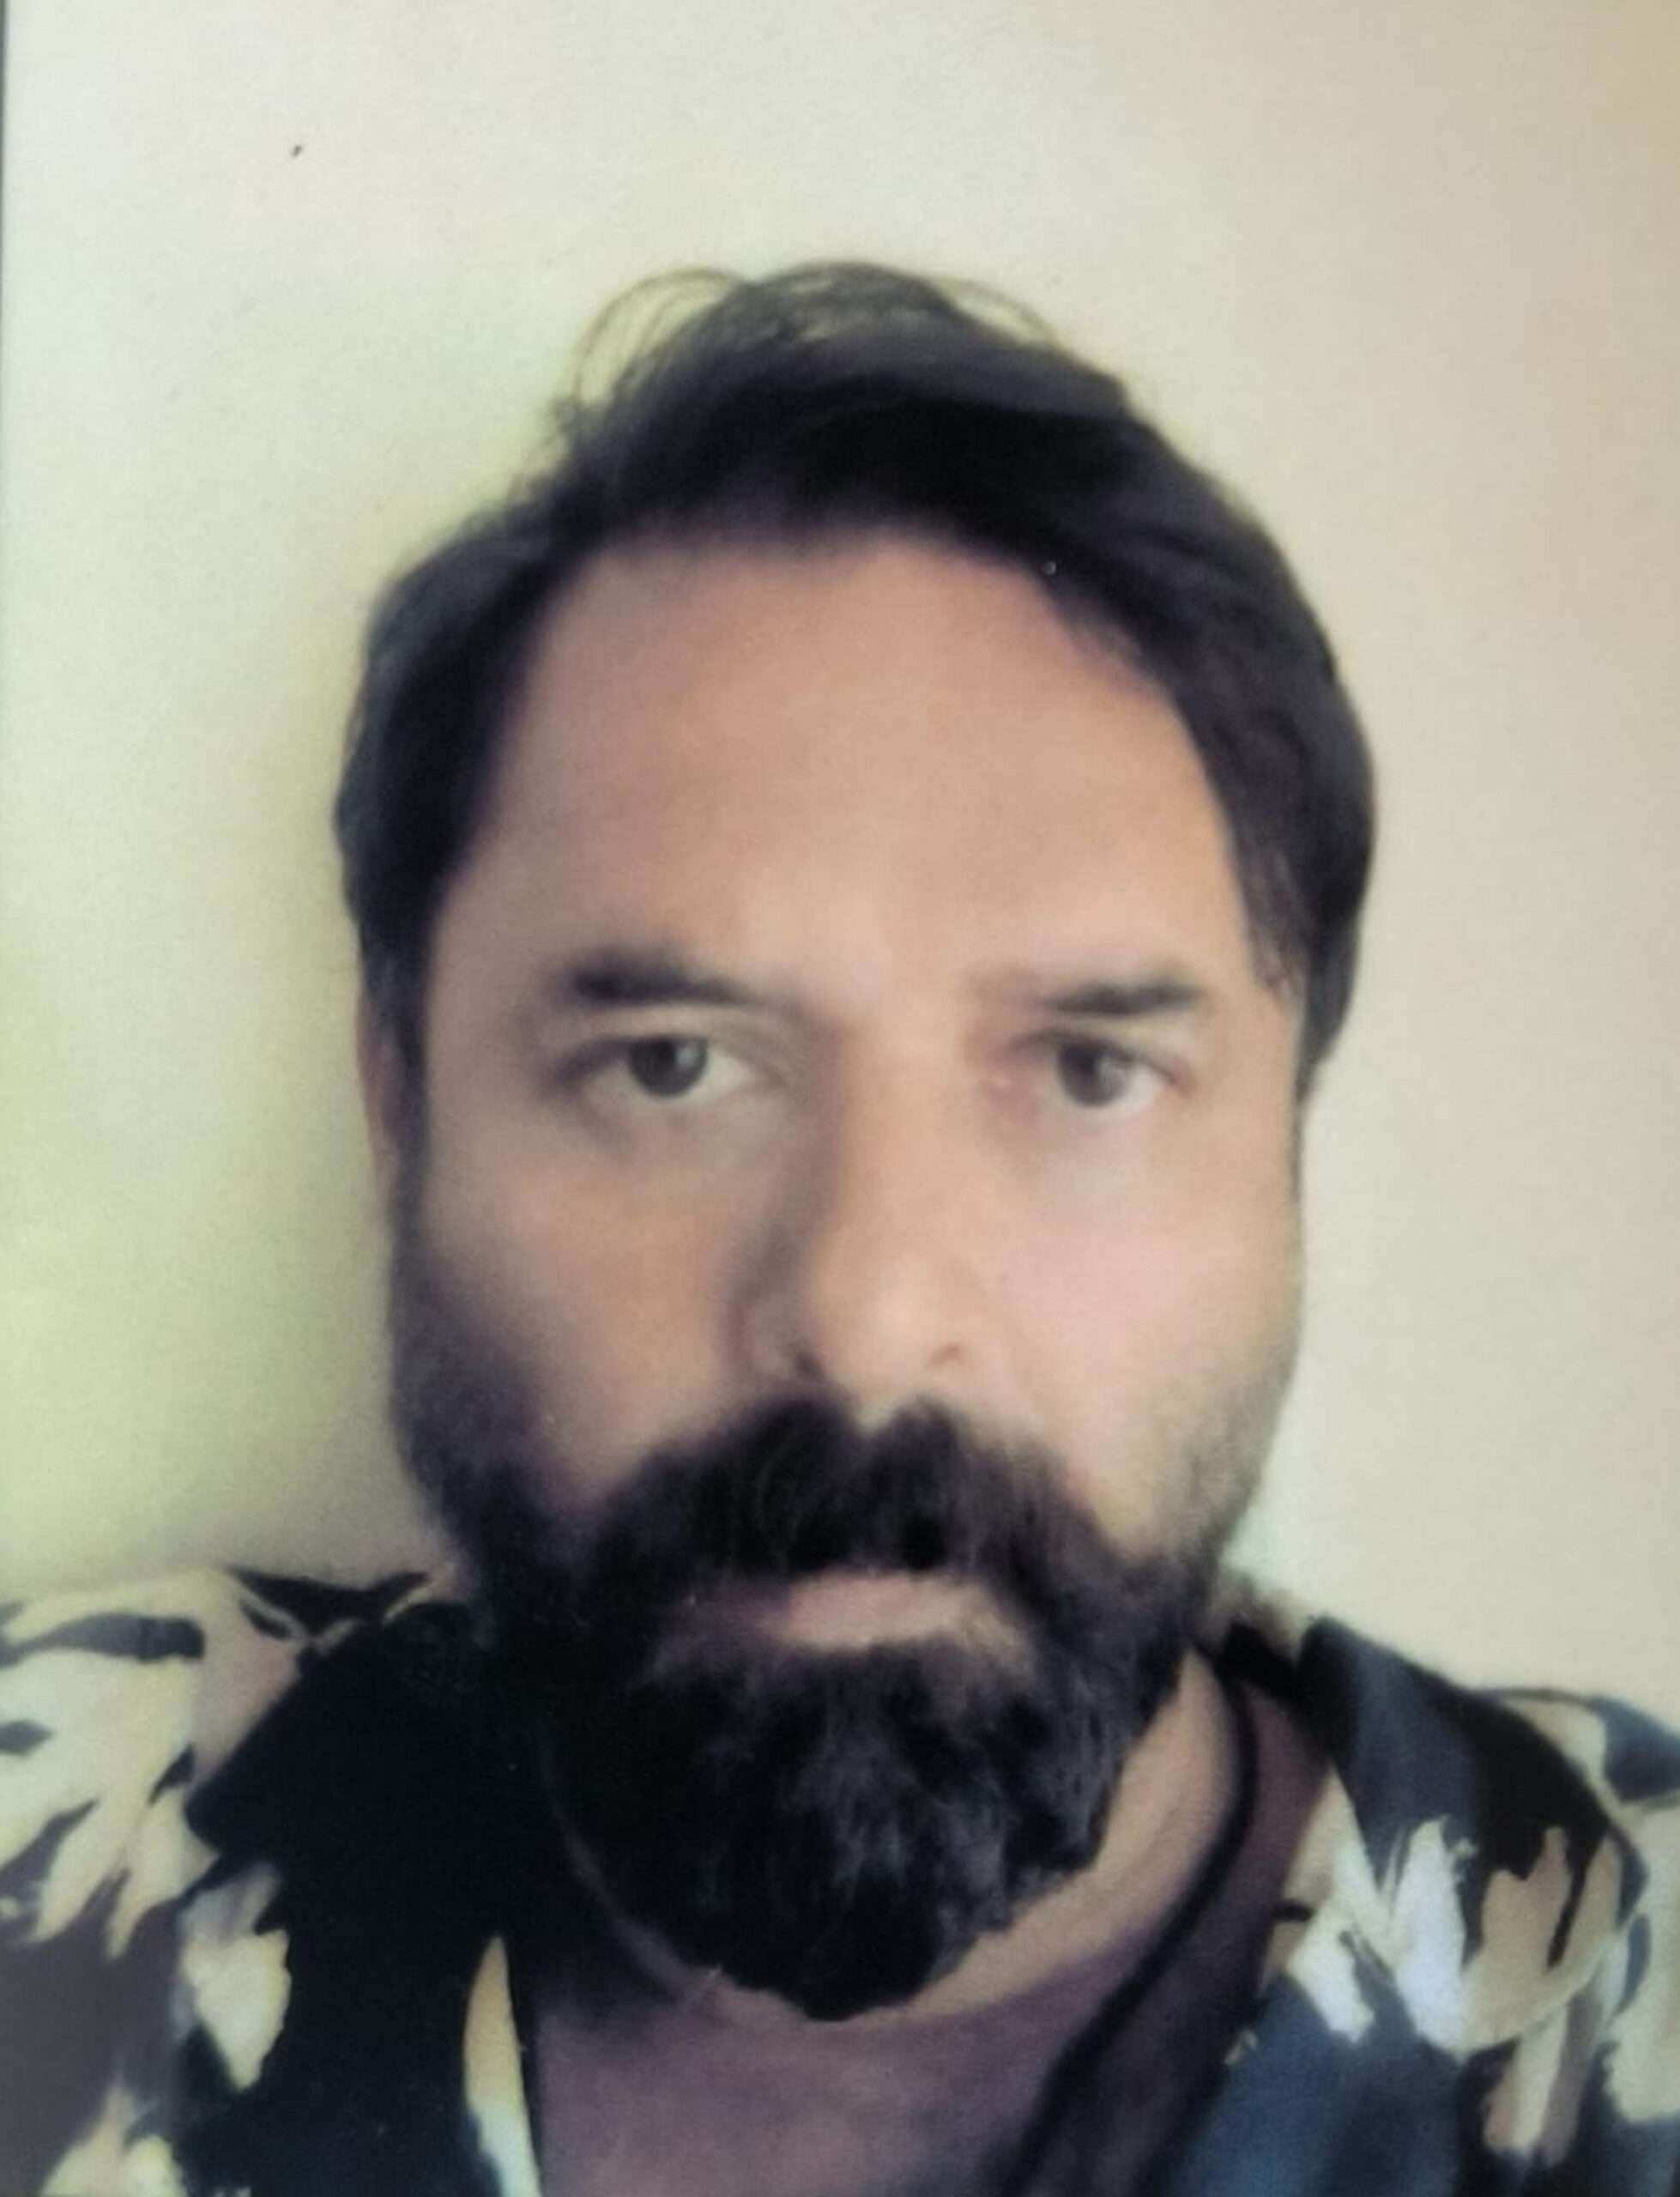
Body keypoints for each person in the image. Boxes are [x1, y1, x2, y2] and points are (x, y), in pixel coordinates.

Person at [1, 264, 1674, 2197]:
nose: (866, 1321)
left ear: (1282, 1143)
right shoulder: (63, 1848)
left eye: (1088, 1070)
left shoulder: (1625, 2000)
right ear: (402, 1107)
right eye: (670, 1065)